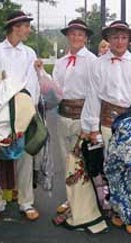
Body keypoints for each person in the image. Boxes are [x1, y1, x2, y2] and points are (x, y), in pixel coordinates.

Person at [80, 20, 131, 234]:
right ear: (108, 39)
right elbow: (93, 97)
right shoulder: (98, 64)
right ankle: (116, 209)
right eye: (115, 37)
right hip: (106, 123)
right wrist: (92, 128)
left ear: (129, 39)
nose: (119, 41)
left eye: (123, 37)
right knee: (112, 169)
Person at [35, 19, 108, 233]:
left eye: (80, 34)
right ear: (68, 36)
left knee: (82, 163)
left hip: (82, 118)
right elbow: (55, 88)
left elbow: (95, 93)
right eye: (73, 34)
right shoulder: (61, 61)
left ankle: (87, 204)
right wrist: (41, 73)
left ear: (86, 38)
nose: (76, 37)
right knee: (68, 162)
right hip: (63, 116)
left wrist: (90, 124)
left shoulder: (93, 61)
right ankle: (71, 200)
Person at [0, 11, 40, 222]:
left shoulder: (29, 52)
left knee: (25, 157)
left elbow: (33, 83)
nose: (28, 30)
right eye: (26, 26)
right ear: (15, 27)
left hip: (23, 110)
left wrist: (29, 106)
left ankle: (26, 202)